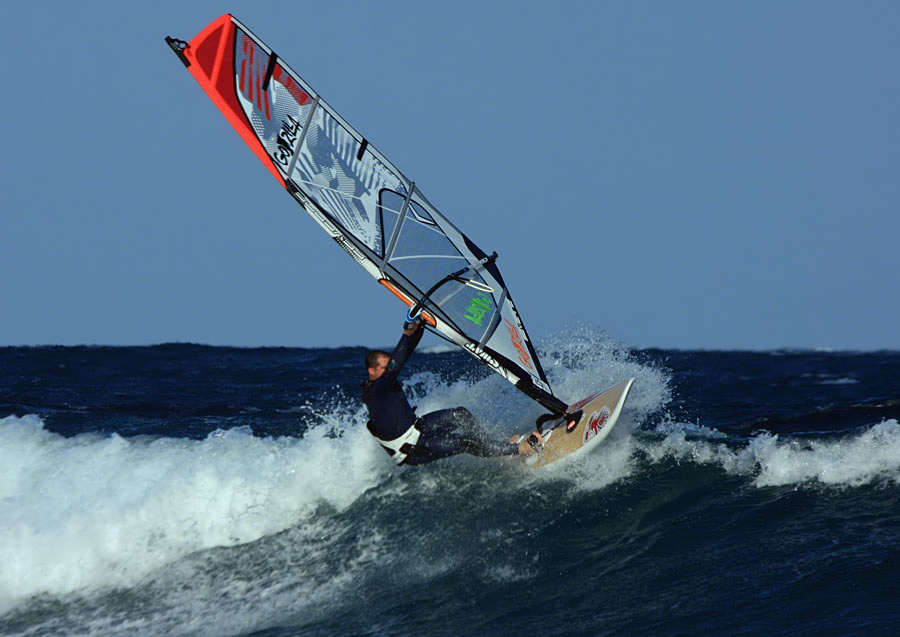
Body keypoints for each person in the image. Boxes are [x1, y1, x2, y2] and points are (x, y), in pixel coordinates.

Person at [363, 318, 542, 466]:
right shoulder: (376, 391)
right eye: (384, 368)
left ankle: (497, 447)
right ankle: (519, 450)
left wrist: (420, 325)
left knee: (460, 414)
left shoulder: (383, 383)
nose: (388, 370)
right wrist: (405, 335)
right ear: (372, 371)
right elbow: (395, 364)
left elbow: (405, 353)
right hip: (413, 448)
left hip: (419, 428)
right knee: (466, 442)